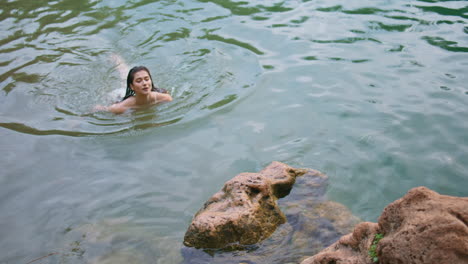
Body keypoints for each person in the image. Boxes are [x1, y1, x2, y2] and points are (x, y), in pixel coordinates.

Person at [95, 66, 172, 114]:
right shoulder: (120, 107)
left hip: (133, 92)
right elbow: (100, 108)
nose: (145, 83)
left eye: (147, 79)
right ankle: (118, 63)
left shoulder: (165, 98)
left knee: (126, 76)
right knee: (124, 79)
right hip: (119, 95)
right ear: (132, 86)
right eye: (139, 81)